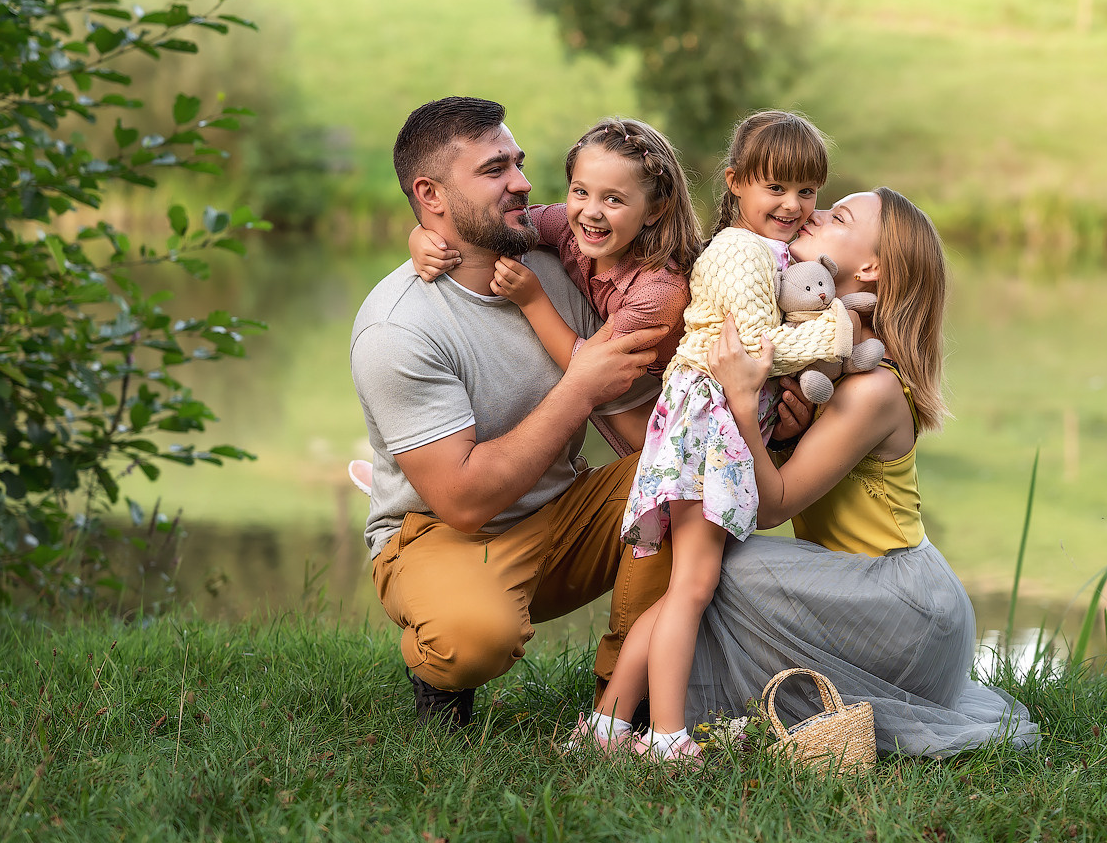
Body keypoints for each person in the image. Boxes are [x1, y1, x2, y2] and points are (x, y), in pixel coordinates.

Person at [349, 97, 674, 728]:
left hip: (562, 516)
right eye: (497, 169)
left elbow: (639, 429)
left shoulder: (557, 269)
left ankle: (626, 696)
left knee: (685, 479)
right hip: (441, 535)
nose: (524, 182)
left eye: (519, 164)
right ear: (431, 194)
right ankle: (442, 677)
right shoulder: (399, 327)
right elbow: (465, 502)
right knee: (472, 636)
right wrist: (579, 385)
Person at [694, 187, 1040, 756]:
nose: (814, 213)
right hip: (859, 587)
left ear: (871, 267)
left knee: (723, 563)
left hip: (904, 608)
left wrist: (740, 400)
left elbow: (776, 502)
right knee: (710, 549)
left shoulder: (872, 388)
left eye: (838, 215)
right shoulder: (832, 365)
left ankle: (690, 710)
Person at [579, 110, 856, 762]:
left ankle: (607, 727)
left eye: (807, 191)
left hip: (713, 426)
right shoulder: (737, 251)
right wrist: (842, 331)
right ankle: (668, 737)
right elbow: (759, 352)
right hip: (708, 426)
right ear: (735, 182)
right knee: (694, 588)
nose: (793, 204)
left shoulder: (767, 252)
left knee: (687, 586)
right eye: (775, 188)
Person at [408, 116, 702, 454]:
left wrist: (533, 300)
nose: (591, 212)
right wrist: (421, 234)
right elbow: (504, 225)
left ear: (654, 209)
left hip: (682, 434)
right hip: (637, 420)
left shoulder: (659, 291)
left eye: (614, 200)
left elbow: (592, 372)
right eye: (581, 192)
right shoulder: (566, 226)